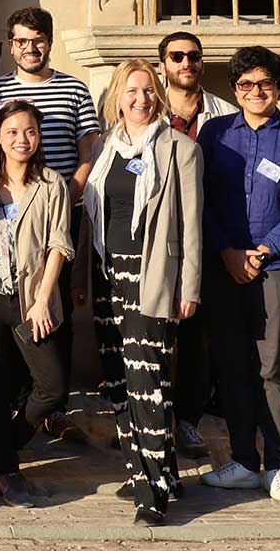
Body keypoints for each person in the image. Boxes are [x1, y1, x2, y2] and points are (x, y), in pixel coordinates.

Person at [77, 59, 202, 527]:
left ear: (160, 95)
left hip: (152, 275)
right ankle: (151, 469)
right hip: (107, 274)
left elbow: (191, 226)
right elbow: (90, 219)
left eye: (149, 90)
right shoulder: (105, 147)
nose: (141, 99)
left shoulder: (180, 149)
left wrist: (188, 286)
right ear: (117, 96)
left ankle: (153, 494)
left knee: (148, 380)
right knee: (116, 381)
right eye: (132, 91)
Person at [198, 46, 280, 507]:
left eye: (264, 83)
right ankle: (245, 462)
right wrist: (227, 251)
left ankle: (277, 467)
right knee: (231, 365)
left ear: (278, 87)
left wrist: (264, 250)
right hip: (223, 263)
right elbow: (200, 198)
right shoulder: (215, 134)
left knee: (271, 367)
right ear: (234, 90)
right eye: (245, 84)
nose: (255, 92)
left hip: (278, 266)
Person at [0, 6, 100, 443]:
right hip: (10, 218)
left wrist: (67, 194)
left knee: (53, 306)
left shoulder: (73, 88)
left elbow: (88, 148)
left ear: (49, 41)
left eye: (38, 39)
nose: (31, 48)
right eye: (21, 41)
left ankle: (53, 408)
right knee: (10, 311)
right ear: (11, 44)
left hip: (61, 210)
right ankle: (19, 399)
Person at [0, 100, 72, 509]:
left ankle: (1, 450)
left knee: (52, 386)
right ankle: (8, 470)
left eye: (29, 132)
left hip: (30, 299)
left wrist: (43, 300)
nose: (22, 140)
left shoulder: (51, 183)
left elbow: (59, 244)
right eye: (12, 132)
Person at [155, 31, 236, 461]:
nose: (187, 63)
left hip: (203, 240)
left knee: (196, 339)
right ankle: (143, 422)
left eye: (194, 56)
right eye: (177, 56)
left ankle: (187, 421)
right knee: (150, 334)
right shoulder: (144, 108)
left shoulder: (223, 114)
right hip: (152, 243)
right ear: (163, 63)